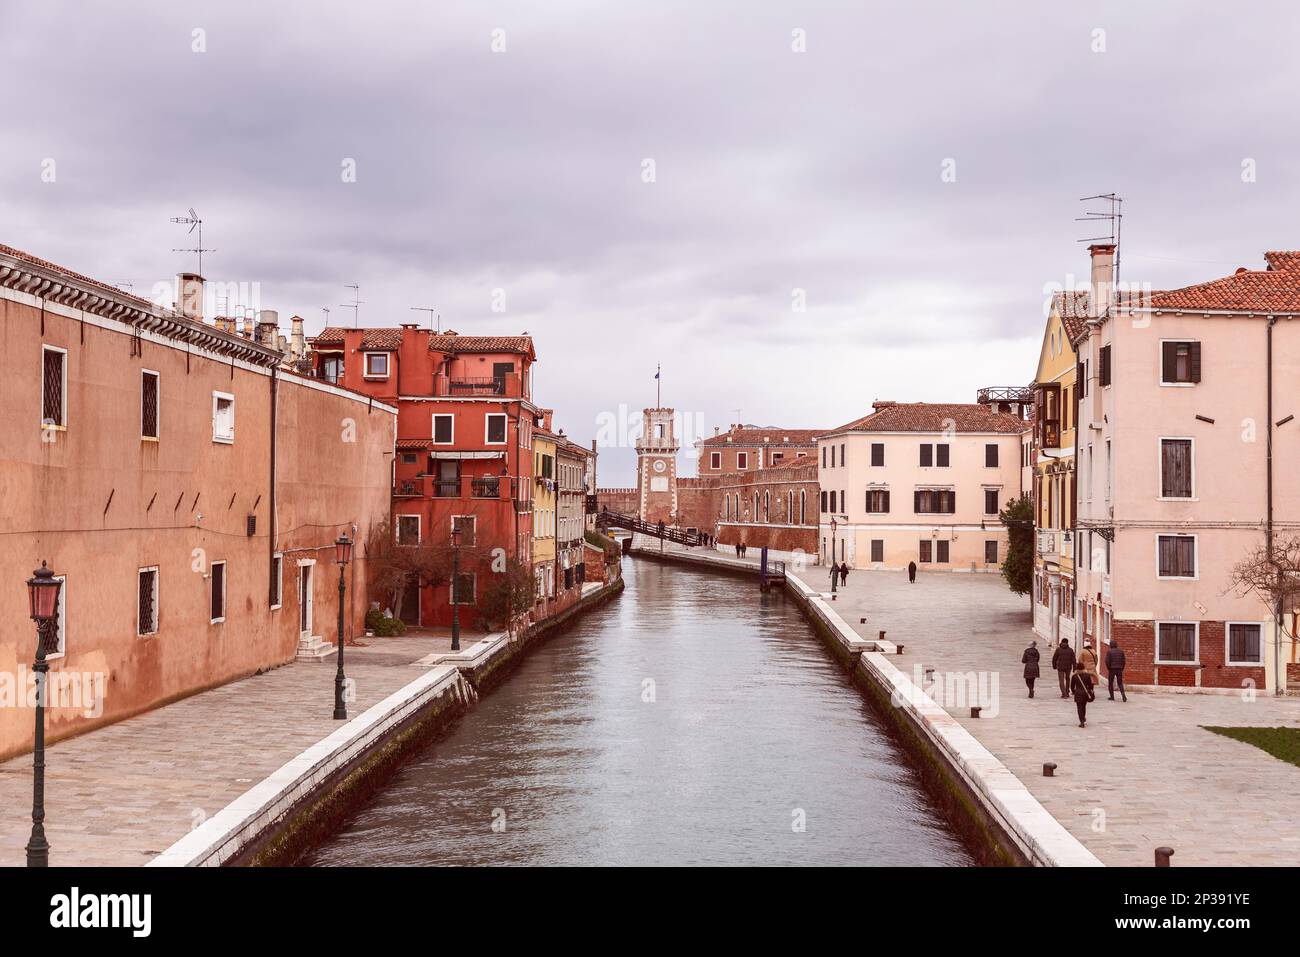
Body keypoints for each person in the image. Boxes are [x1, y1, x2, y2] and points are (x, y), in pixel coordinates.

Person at [1070, 660, 1095, 728]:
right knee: (1083, 706)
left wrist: (1074, 692)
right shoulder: (1087, 675)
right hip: (1085, 693)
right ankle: (1083, 718)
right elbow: (1090, 685)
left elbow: (1072, 686)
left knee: (1079, 708)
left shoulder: (1074, 676)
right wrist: (1091, 690)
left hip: (1078, 693)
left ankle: (1081, 720)